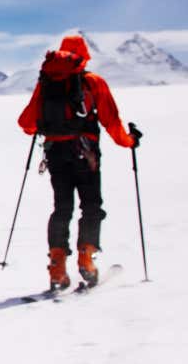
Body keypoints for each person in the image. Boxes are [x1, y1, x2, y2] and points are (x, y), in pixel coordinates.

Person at [18, 34, 141, 291]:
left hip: (55, 153)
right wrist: (129, 141)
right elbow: (111, 121)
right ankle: (86, 258)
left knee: (62, 208)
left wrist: (47, 126)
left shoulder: (46, 83)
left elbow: (26, 123)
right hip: (86, 155)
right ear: (83, 56)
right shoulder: (92, 82)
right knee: (91, 206)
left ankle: (57, 268)